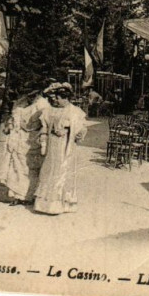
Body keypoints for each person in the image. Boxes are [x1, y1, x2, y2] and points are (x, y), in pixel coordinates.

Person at [33, 83, 88, 215]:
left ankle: (61, 204)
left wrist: (70, 131)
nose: (55, 100)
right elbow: (45, 124)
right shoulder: (52, 110)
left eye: (58, 98)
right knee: (49, 170)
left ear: (66, 98)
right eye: (55, 98)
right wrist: (48, 133)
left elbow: (82, 129)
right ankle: (45, 204)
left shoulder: (75, 111)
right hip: (53, 145)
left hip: (66, 146)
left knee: (63, 172)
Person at [0, 91, 46, 205]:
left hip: (31, 140)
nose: (30, 96)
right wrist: (10, 124)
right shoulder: (20, 102)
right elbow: (13, 118)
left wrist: (31, 129)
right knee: (15, 167)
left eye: (34, 93)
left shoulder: (43, 105)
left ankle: (28, 195)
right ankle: (17, 195)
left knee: (29, 169)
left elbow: (45, 124)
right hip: (17, 139)